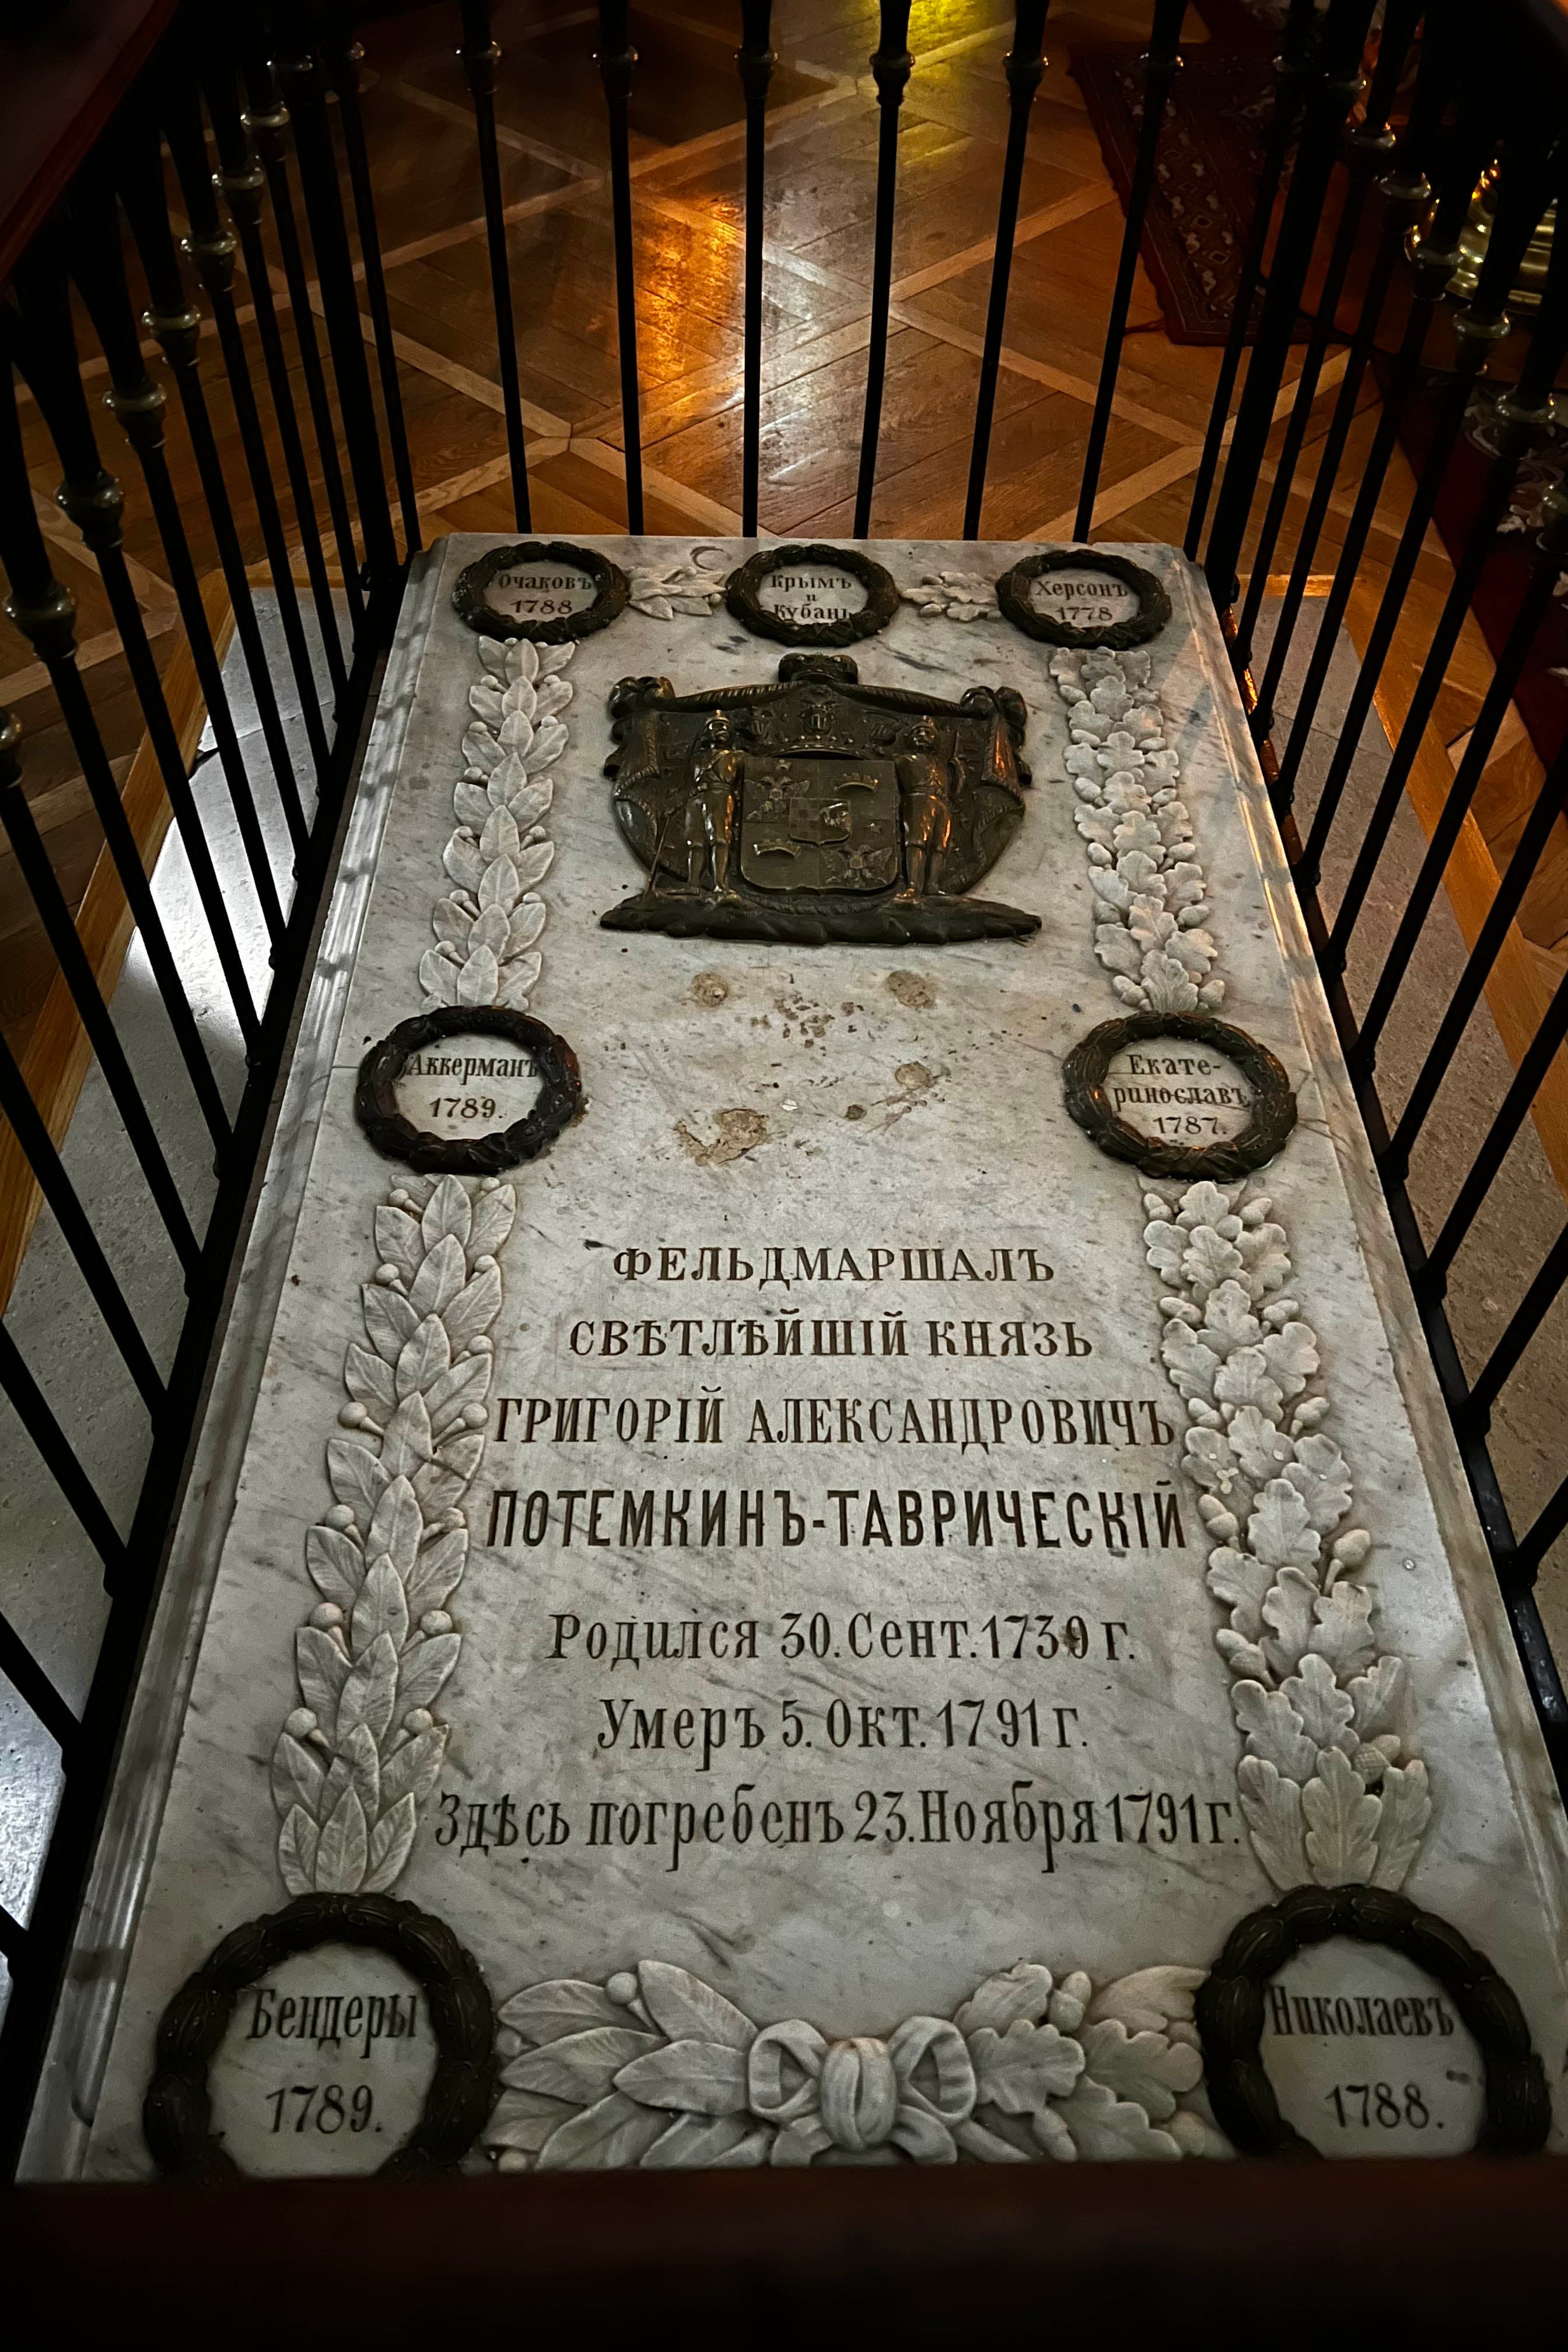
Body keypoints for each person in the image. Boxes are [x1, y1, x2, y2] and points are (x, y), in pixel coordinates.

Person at [684, 713, 743, 894]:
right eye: (716, 726)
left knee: (720, 838)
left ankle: (720, 883)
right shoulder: (697, 757)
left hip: (720, 795)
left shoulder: (737, 756)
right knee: (695, 842)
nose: (722, 730)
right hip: (698, 797)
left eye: (725, 726)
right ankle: (693, 884)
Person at [895, 715, 953, 898]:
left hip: (941, 803)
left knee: (939, 846)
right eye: (917, 732)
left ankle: (932, 885)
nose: (922, 735)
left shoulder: (941, 767)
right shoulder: (905, 760)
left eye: (928, 733)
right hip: (918, 799)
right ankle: (913, 885)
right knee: (916, 842)